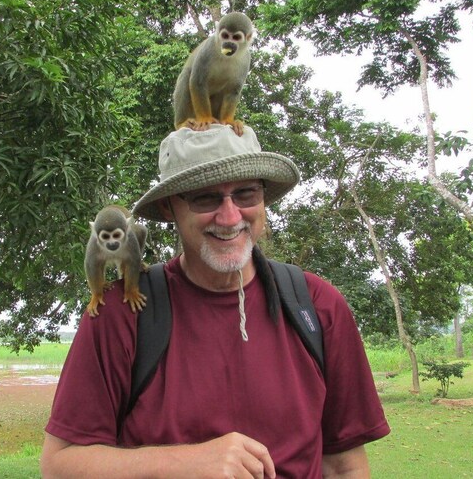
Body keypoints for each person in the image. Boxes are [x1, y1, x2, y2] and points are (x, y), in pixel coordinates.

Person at [41, 125, 390, 478]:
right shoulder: (124, 313)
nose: (230, 217)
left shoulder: (316, 306)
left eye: (246, 194)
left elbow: (345, 466)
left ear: (263, 199)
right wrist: (183, 464)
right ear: (169, 207)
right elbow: (59, 465)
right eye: (205, 198)